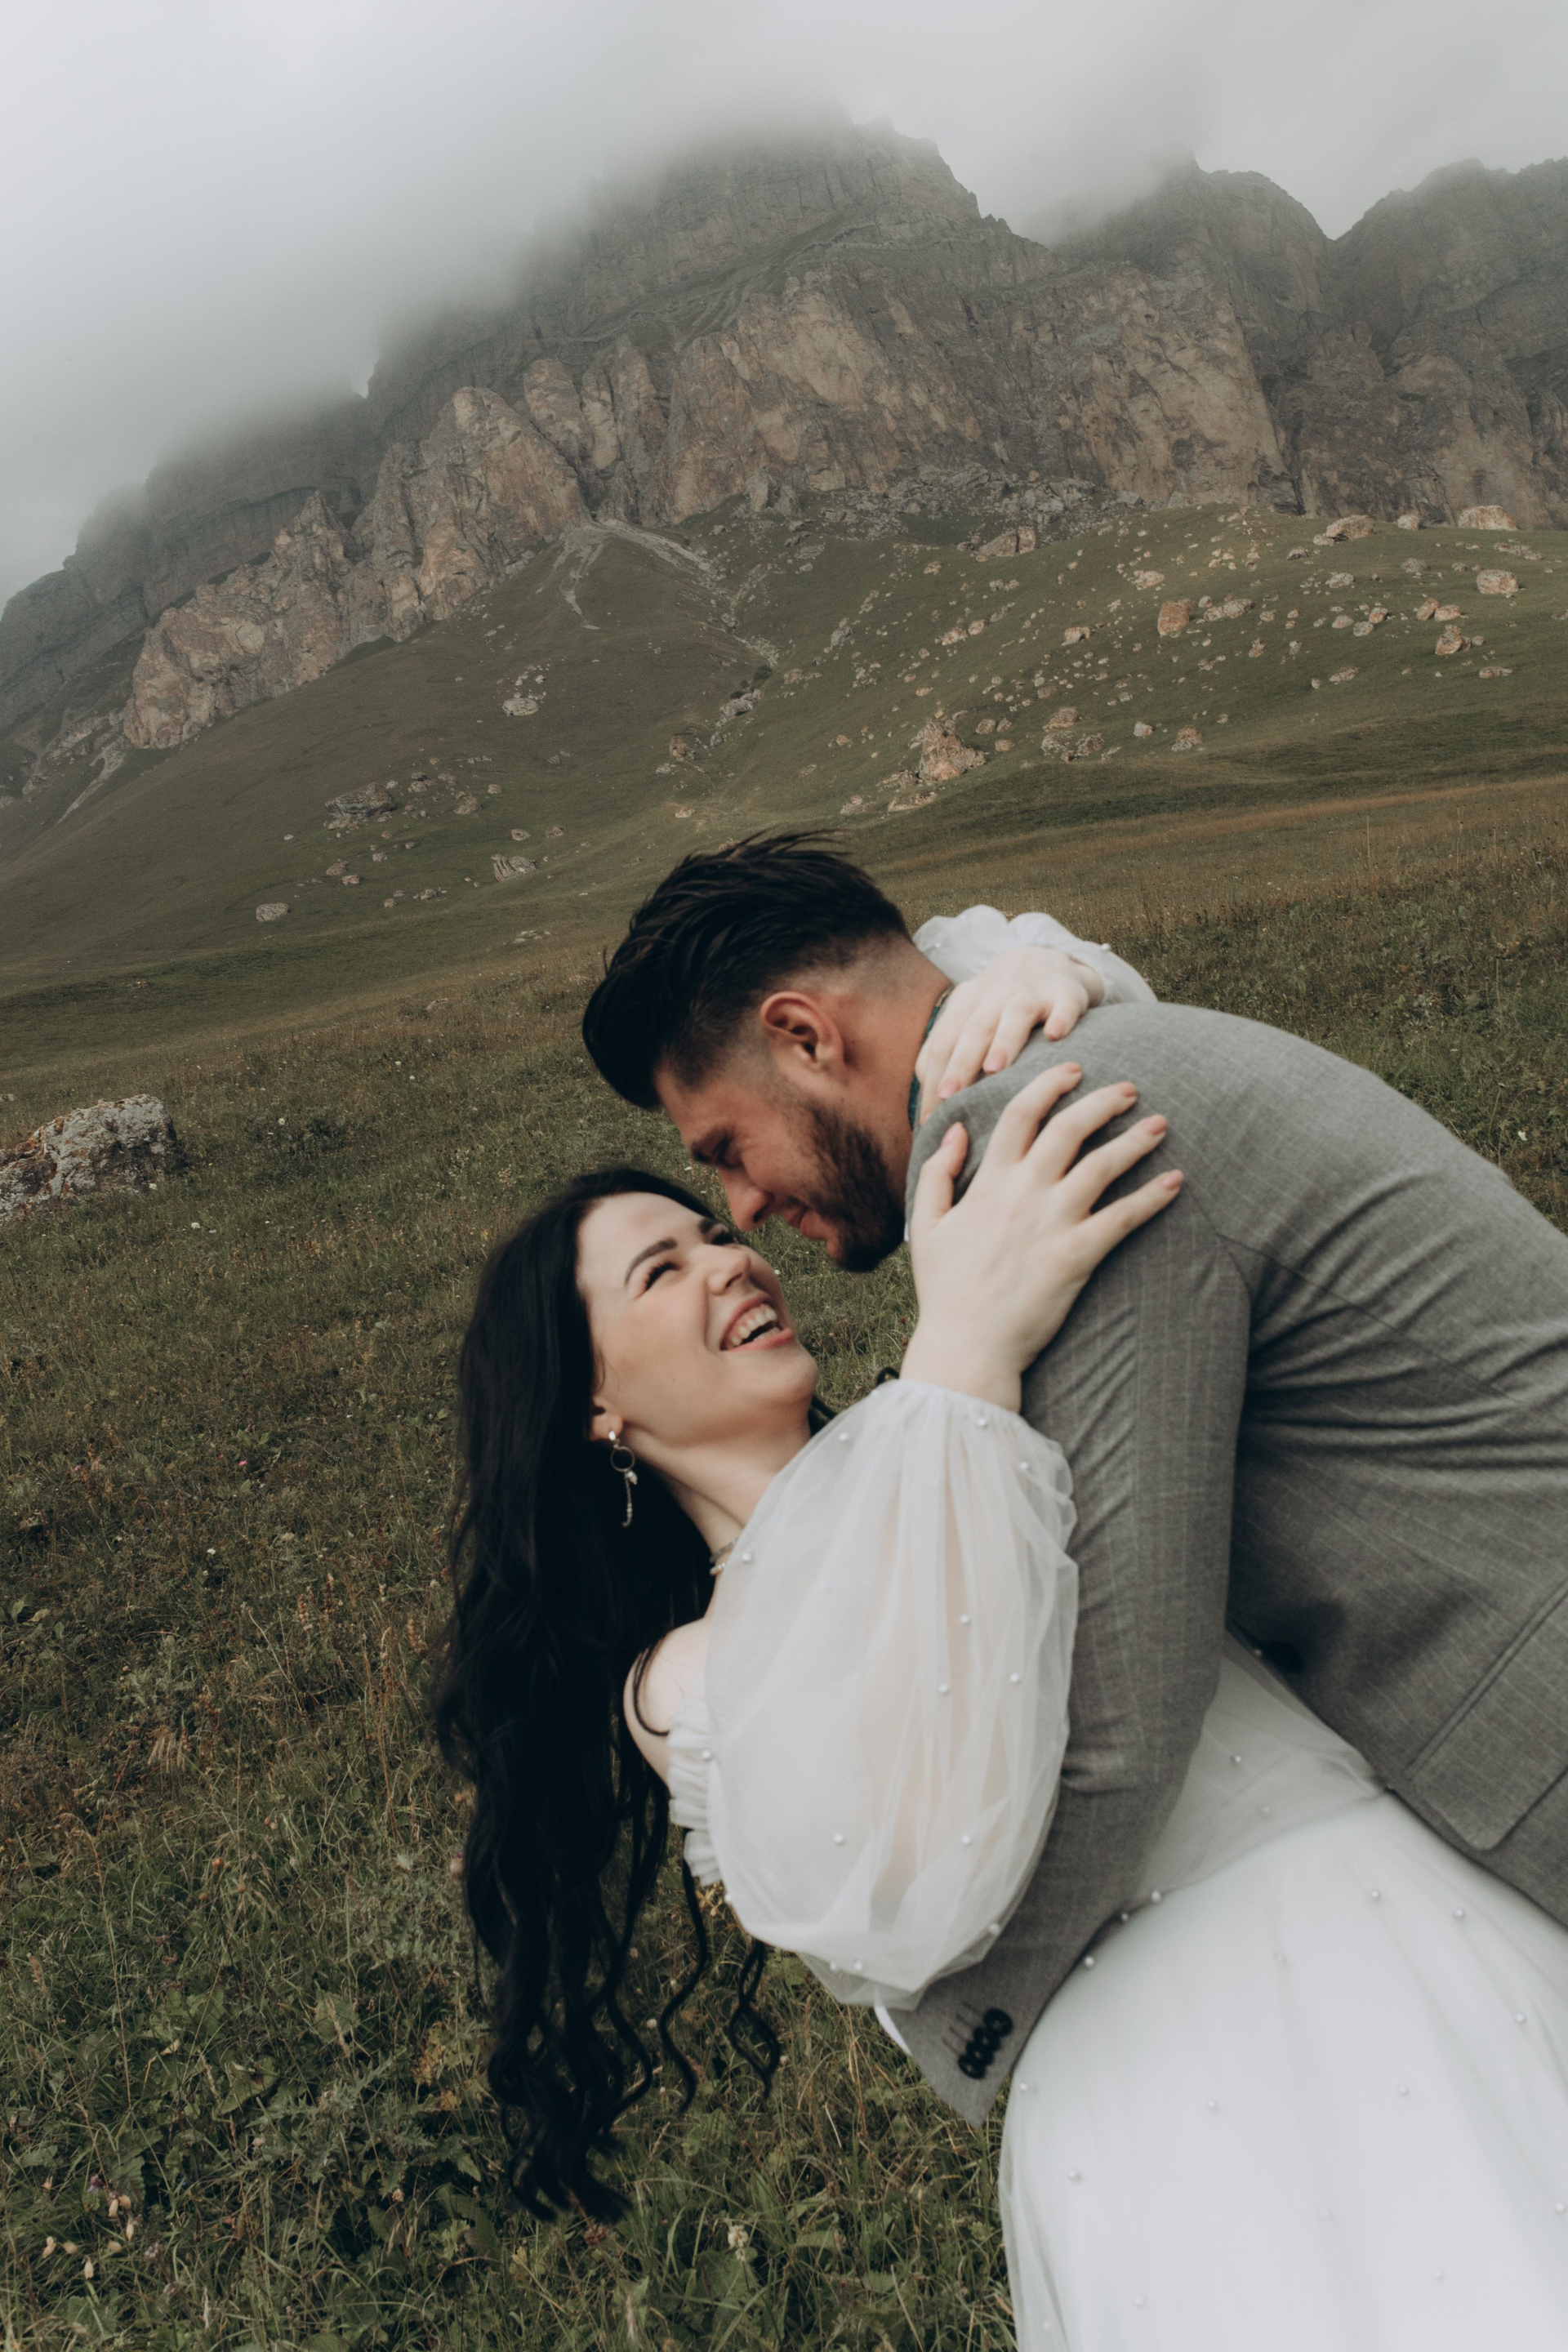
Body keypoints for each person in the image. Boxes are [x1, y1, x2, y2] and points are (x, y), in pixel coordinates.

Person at [439, 895, 1568, 2349]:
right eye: (665, 1268)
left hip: (1410, 1926)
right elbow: (911, 1864)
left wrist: (1043, 972)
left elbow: (1115, 1667)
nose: (739, 1241)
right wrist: (960, 1349)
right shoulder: (694, 1669)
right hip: (1193, 2072)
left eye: (714, 1192)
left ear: (803, 1037)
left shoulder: (978, 1404)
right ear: (593, 1405)